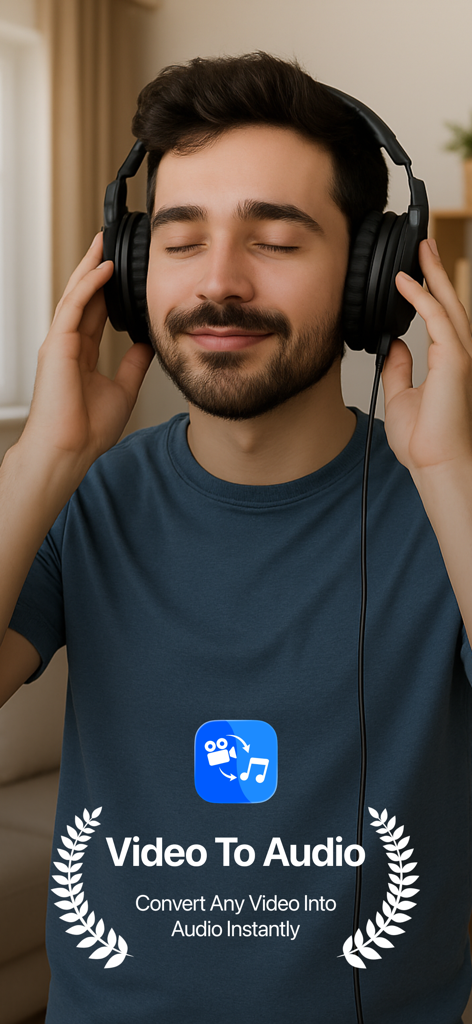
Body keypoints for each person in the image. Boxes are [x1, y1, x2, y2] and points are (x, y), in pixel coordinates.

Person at [1, 51, 472, 1024]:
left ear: (370, 277)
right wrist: (46, 456)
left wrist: (450, 476)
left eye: (275, 240)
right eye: (177, 242)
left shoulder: (446, 507)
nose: (217, 284)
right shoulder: (86, 497)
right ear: (129, 271)